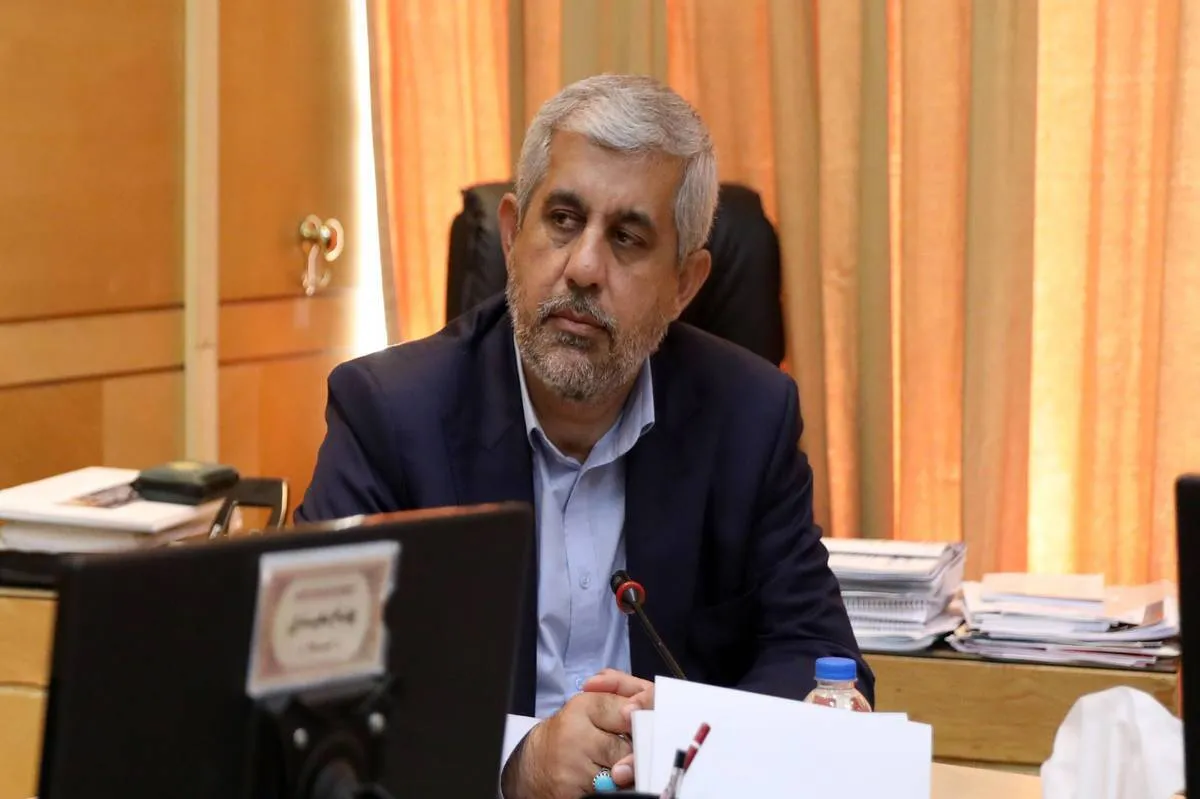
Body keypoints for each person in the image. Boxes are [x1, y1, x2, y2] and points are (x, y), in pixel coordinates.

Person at [295, 74, 871, 799]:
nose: (584, 268)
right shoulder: (389, 414)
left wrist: (690, 730)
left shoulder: (749, 417)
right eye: (563, 220)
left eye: (627, 238)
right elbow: (312, 695)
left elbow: (820, 662)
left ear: (685, 284)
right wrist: (518, 762)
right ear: (512, 235)